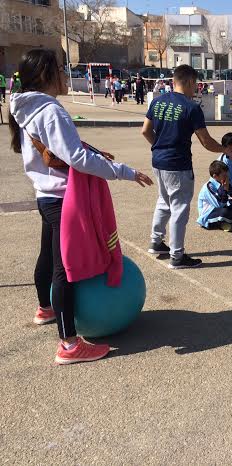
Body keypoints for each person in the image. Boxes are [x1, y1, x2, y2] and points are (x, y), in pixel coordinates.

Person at [9, 49, 153, 364]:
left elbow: (64, 151)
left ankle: (45, 309)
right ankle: (70, 345)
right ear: (47, 74)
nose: (64, 74)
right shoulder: (50, 110)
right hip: (64, 199)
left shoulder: (26, 108)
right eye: (61, 68)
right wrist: (124, 172)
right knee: (65, 269)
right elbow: (77, 159)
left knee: (48, 254)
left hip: (45, 194)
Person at [141, 65, 224, 269]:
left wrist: (159, 146)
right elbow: (206, 141)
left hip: (158, 161)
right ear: (188, 82)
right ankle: (177, 256)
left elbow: (145, 131)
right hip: (178, 164)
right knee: (179, 209)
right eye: (195, 84)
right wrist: (224, 150)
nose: (195, 89)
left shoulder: (157, 101)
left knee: (163, 201)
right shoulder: (191, 107)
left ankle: (156, 241)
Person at [196, 161, 232, 231]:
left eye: (227, 174)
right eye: (224, 175)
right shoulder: (209, 187)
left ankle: (226, 223)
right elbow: (218, 205)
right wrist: (225, 190)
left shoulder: (222, 181)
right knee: (224, 212)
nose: (226, 177)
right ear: (215, 176)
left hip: (220, 210)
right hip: (208, 216)